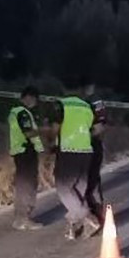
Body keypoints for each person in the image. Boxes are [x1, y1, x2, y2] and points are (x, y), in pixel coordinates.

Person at [52, 81, 101, 240]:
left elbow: (55, 128)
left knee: (64, 188)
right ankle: (74, 226)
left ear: (64, 89)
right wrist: (83, 137)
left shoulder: (61, 105)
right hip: (86, 151)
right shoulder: (87, 106)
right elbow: (97, 129)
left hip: (68, 151)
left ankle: (88, 218)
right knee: (79, 190)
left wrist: (51, 143)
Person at [8, 86, 45, 231]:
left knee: (23, 184)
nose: (35, 103)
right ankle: (24, 219)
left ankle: (20, 218)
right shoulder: (22, 113)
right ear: (29, 97)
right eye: (35, 99)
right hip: (25, 152)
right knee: (27, 185)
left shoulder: (15, 111)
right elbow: (28, 133)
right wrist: (43, 130)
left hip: (20, 152)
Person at [85, 98, 107, 225]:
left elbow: (99, 128)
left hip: (92, 148)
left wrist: (82, 135)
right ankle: (82, 216)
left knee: (92, 181)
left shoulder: (96, 103)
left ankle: (98, 214)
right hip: (75, 150)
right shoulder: (68, 103)